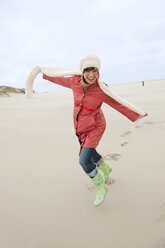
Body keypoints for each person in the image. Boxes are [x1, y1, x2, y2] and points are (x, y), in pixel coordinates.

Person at [26, 54, 148, 207]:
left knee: (84, 160)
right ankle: (106, 168)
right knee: (89, 152)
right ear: (82, 71)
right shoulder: (74, 81)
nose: (91, 75)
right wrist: (41, 73)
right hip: (81, 127)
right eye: (88, 70)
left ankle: (100, 187)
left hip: (96, 126)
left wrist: (136, 115)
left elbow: (118, 103)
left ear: (98, 72)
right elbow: (58, 78)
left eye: (94, 70)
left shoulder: (102, 89)